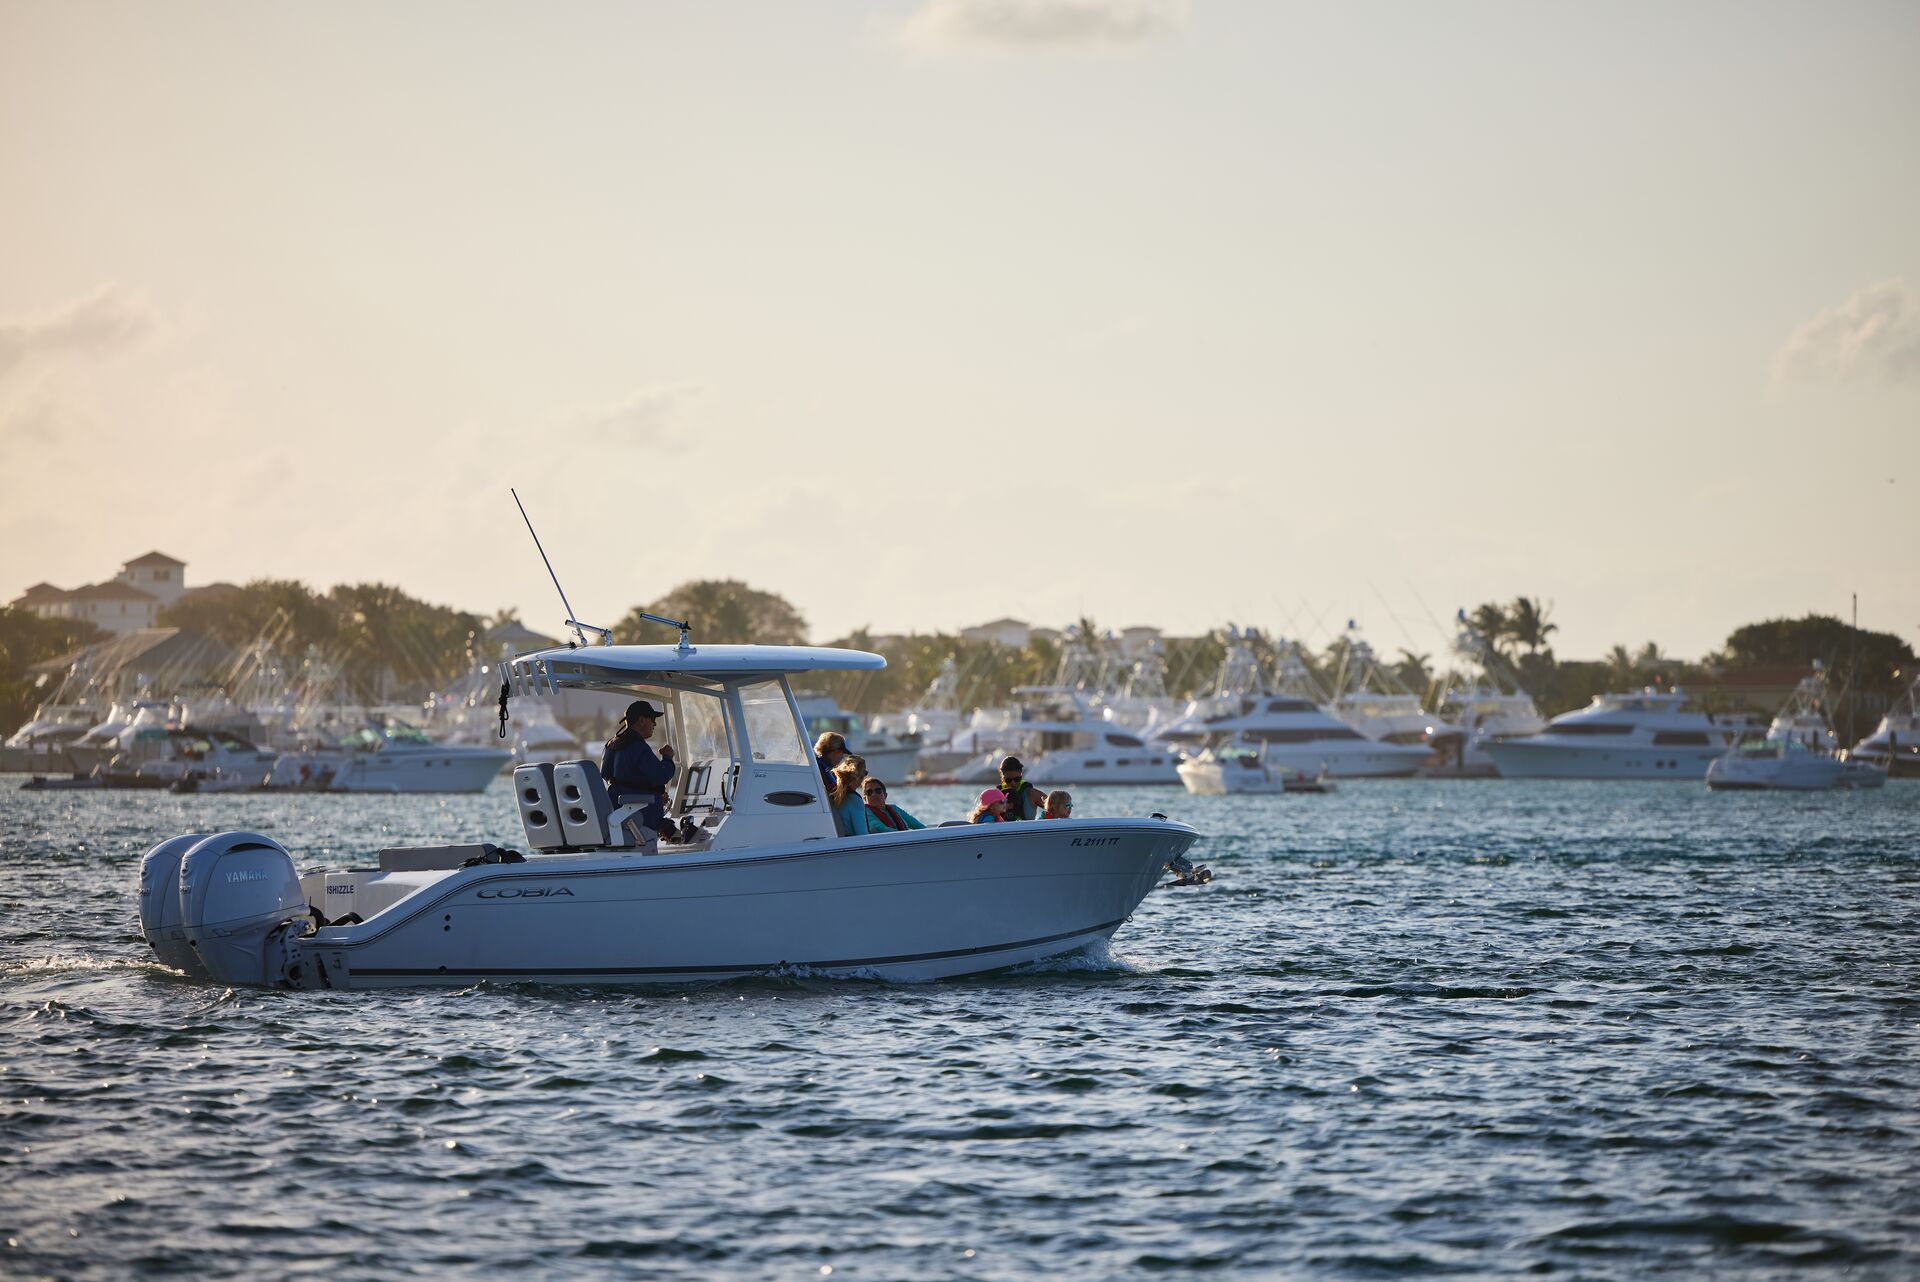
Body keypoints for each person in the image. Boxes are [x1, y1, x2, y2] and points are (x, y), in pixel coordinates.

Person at [599, 699, 676, 853]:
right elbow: (661, 776)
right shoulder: (639, 747)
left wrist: (650, 794)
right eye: (652, 720)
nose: (655, 724)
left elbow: (607, 775)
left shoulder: (612, 744)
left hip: (618, 818)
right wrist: (667, 758)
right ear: (641, 720)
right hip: (641, 822)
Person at [861, 778, 925, 833]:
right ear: (865, 799)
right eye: (869, 792)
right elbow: (877, 828)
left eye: (878, 790)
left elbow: (917, 825)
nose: (874, 794)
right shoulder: (864, 813)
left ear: (885, 795)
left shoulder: (894, 808)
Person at [828, 754, 868, 837]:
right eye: (865, 773)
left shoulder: (833, 794)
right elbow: (863, 834)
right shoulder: (855, 800)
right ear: (859, 776)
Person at [997, 756, 1044, 822]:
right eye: (1008, 780)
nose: (1013, 783)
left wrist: (1042, 819)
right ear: (1002, 778)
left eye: (1017, 779)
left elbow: (1055, 806)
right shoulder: (996, 794)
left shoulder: (1031, 794)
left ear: (1021, 775)